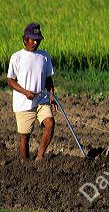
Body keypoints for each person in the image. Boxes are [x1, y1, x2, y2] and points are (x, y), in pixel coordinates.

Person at [7, 22, 58, 162]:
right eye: (32, 39)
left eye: (38, 39)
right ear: (25, 39)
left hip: (42, 99)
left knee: (50, 123)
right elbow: (10, 80)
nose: (35, 42)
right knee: (25, 135)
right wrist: (25, 92)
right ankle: (25, 164)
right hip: (24, 102)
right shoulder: (16, 57)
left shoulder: (44, 56)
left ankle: (40, 156)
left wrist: (52, 95)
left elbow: (48, 79)